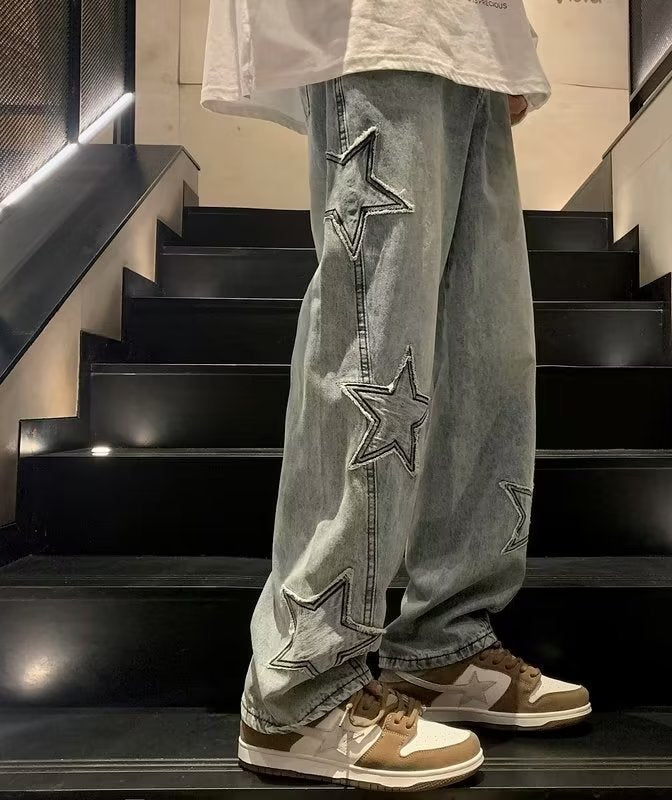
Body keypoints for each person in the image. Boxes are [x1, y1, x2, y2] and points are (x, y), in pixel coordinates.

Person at [202, 1, 591, 791]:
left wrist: (507, 42)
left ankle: (442, 642)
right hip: (374, 24)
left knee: (490, 353)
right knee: (374, 342)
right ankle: (299, 689)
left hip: (470, 43)